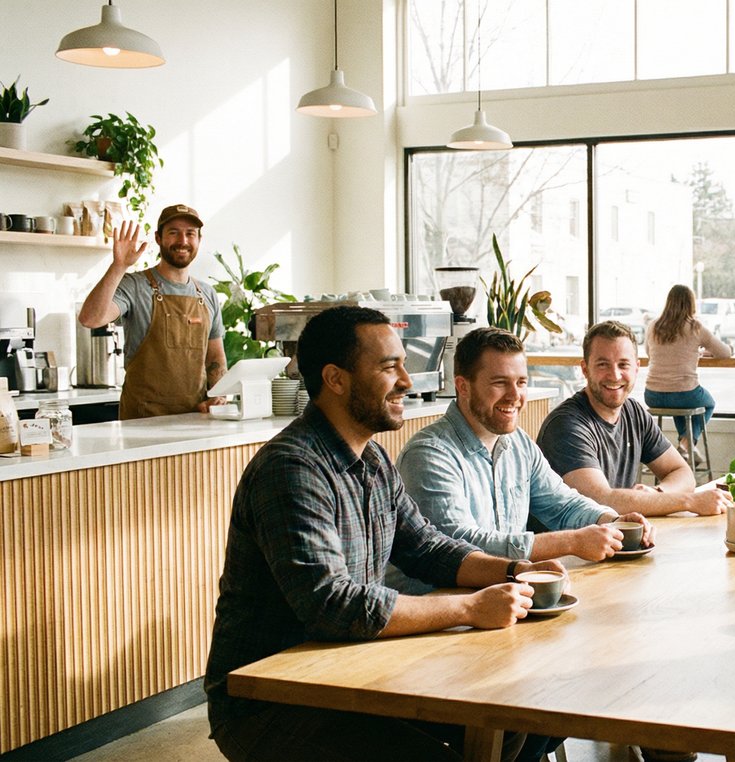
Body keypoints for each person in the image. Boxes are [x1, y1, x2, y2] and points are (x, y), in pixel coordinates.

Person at [204, 306, 564, 762]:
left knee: (511, 719)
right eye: (389, 366)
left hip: (350, 670)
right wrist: (472, 606)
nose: (407, 381)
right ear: (336, 379)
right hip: (273, 702)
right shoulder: (291, 468)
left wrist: (515, 570)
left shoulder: (373, 461)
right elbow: (330, 604)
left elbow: (427, 548)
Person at [389, 327, 655, 591]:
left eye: (521, 382)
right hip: (438, 615)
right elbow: (460, 545)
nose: (515, 396)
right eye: (499, 383)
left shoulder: (519, 444)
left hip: (500, 601)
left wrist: (610, 521)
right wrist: (572, 542)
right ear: (463, 387)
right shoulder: (429, 454)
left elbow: (563, 504)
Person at [536, 320, 732, 517]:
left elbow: (682, 472)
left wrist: (658, 493)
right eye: (603, 364)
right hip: (568, 545)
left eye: (623, 364)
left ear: (636, 368)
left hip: (614, 537)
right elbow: (600, 501)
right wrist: (689, 501)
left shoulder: (633, 412)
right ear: (585, 369)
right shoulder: (566, 425)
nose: (615, 375)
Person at [78, 204, 227, 420]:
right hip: (142, 423)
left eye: (190, 234)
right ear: (158, 238)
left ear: (198, 240)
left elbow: (215, 357)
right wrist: (119, 266)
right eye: (173, 232)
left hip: (195, 421)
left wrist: (218, 395)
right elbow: (90, 318)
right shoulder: (135, 285)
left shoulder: (207, 294)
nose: (182, 241)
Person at [644, 284, 732, 460]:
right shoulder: (695, 327)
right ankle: (686, 445)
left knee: (681, 406)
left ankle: (686, 449)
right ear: (691, 304)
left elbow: (649, 352)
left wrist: (695, 352)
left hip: (652, 394)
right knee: (708, 404)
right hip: (683, 393)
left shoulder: (654, 325)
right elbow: (724, 353)